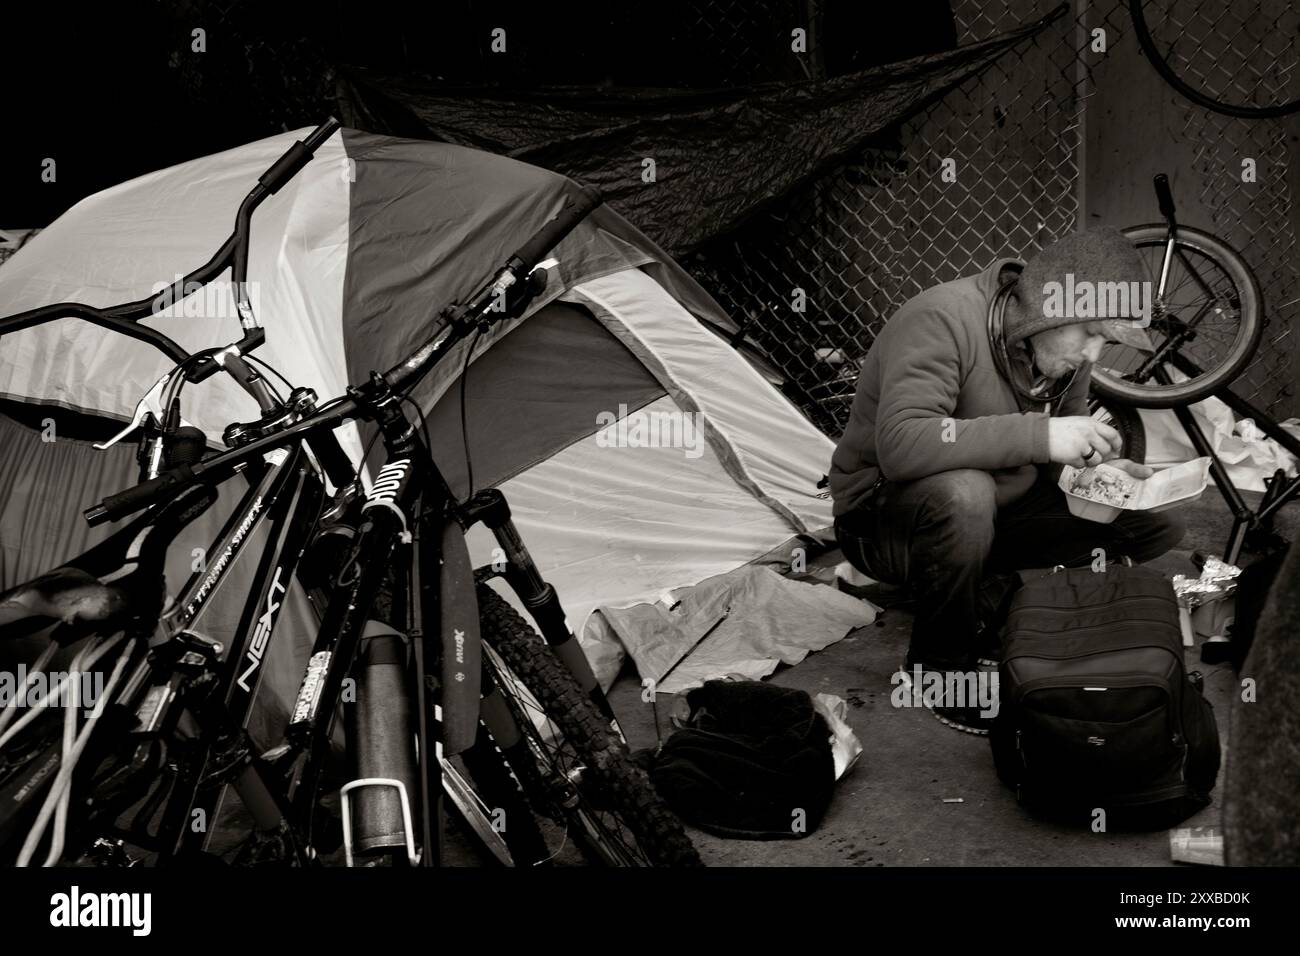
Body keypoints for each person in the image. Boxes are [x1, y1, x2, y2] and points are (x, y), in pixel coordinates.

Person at [829, 227, 1185, 732]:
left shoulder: (1061, 354)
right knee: (964, 493)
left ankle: (983, 593)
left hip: (996, 507)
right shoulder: (941, 319)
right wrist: (1042, 437)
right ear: (1050, 311)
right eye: (1090, 333)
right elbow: (902, 445)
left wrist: (1097, 475)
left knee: (1147, 523)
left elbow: (1053, 455)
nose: (1093, 355)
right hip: (884, 519)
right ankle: (939, 669)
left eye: (1104, 340)